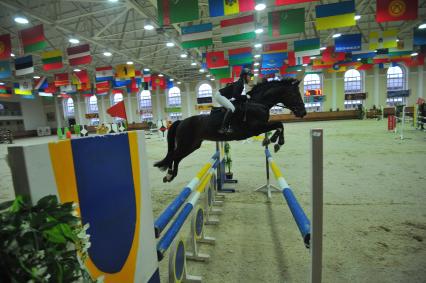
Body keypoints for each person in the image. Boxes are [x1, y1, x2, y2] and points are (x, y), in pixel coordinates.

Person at [213, 68, 253, 134]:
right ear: (244, 76)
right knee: (232, 108)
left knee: (233, 107)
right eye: (249, 76)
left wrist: (244, 99)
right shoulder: (240, 83)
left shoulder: (241, 83)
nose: (250, 78)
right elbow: (235, 95)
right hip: (220, 95)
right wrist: (246, 97)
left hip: (222, 96)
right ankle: (223, 128)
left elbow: (236, 97)